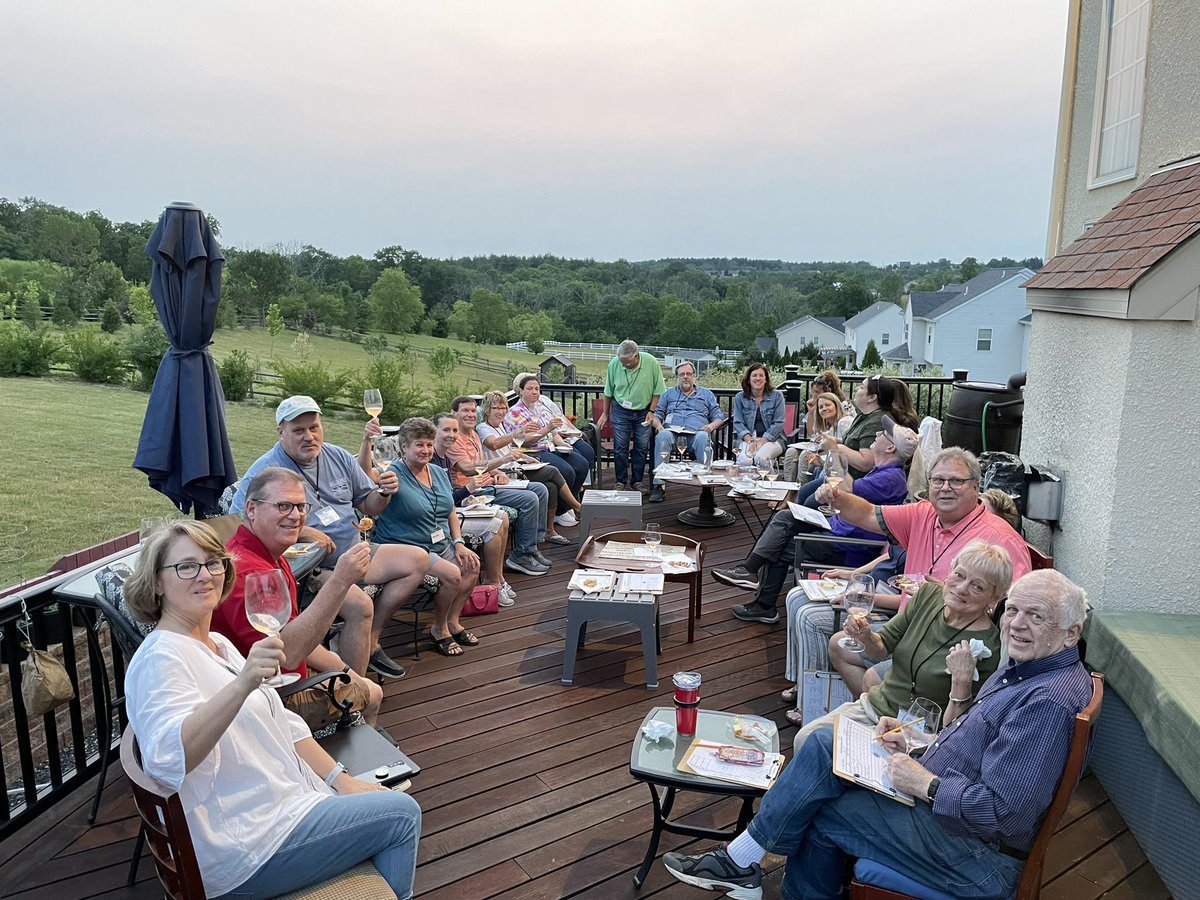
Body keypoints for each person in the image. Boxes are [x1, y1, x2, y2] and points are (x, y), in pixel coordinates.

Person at [662, 568, 1091, 900]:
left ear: (1071, 632)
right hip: (948, 812)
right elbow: (984, 748)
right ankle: (744, 862)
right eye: (1013, 610)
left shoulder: (1045, 702)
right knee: (825, 745)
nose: (1016, 623)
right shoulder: (1027, 671)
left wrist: (925, 782)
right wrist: (917, 744)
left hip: (977, 857)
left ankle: (750, 867)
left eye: (1036, 616)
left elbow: (1005, 814)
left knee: (825, 811)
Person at [123, 520, 421, 899]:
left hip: (282, 809)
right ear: (156, 583)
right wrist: (245, 681)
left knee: (382, 795)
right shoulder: (161, 660)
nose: (205, 575)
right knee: (400, 815)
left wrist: (341, 782)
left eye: (214, 563)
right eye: (186, 566)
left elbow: (286, 724)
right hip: (245, 847)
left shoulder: (216, 644)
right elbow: (169, 760)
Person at [230, 396, 428, 681]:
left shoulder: (337, 456)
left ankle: (370, 641)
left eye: (314, 427)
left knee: (417, 560)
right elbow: (238, 522)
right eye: (299, 430)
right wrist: (301, 531)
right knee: (361, 607)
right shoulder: (265, 472)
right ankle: (353, 691)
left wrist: (384, 493)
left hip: (354, 549)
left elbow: (368, 505)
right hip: (314, 568)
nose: (309, 436)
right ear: (281, 432)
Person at [212, 468, 384, 727]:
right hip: (264, 699)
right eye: (283, 506)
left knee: (358, 681)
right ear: (251, 509)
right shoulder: (248, 573)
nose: (295, 516)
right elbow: (289, 653)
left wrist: (344, 671)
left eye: (301, 507)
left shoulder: (265, 554)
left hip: (284, 677)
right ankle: (356, 760)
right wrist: (340, 581)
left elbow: (290, 635)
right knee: (374, 694)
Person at [788, 539, 1006, 743]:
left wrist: (962, 680)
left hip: (915, 737)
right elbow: (881, 649)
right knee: (806, 737)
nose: (961, 588)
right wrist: (866, 636)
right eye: (959, 575)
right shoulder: (929, 595)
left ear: (993, 598)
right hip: (875, 709)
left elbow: (961, 728)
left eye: (977, 586)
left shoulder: (987, 647)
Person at [713, 416, 917, 625]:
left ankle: (761, 601)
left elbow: (845, 488)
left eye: (883, 434)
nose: (876, 434)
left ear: (891, 448)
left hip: (848, 547)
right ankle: (749, 573)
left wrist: (834, 450)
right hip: (838, 528)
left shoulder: (891, 478)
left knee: (778, 546)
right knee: (785, 516)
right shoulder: (883, 472)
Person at [369, 417, 481, 658]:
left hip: (441, 543)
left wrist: (459, 542)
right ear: (404, 447)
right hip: (407, 547)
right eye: (419, 445)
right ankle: (439, 630)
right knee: (452, 574)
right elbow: (364, 472)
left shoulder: (439, 472)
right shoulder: (391, 473)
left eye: (430, 445)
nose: (426, 450)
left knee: (471, 565)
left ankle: (452, 621)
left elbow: (450, 508)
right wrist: (366, 441)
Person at [429, 411, 539, 600]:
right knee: (494, 524)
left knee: (502, 516)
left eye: (454, 430)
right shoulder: (431, 460)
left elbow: (447, 498)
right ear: (434, 432)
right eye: (446, 430)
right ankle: (493, 583)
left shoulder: (444, 456)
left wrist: (468, 492)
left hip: (456, 508)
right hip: (442, 521)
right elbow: (443, 501)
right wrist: (468, 490)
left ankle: (499, 578)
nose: (451, 435)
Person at [446, 395, 554, 571]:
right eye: (465, 410)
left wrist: (497, 473)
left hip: (489, 482)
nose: (471, 414)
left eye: (473, 411)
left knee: (540, 489)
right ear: (453, 413)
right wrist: (503, 461)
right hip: (473, 492)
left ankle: (531, 548)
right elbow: (467, 469)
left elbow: (481, 463)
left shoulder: (472, 434)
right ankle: (521, 556)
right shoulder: (454, 437)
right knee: (529, 499)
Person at [478, 390, 579, 543]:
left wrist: (526, 457)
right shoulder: (483, 428)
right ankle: (577, 507)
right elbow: (494, 444)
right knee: (552, 471)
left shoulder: (500, 427)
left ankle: (548, 531)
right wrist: (518, 432)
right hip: (503, 472)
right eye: (496, 408)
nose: (501, 412)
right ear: (487, 410)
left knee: (550, 487)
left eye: (503, 408)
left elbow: (508, 447)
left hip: (515, 466)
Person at [648, 361, 726, 503]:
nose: (685, 377)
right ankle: (659, 486)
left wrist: (711, 426)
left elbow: (719, 417)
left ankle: (707, 489)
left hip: (696, 434)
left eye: (688, 374)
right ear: (677, 377)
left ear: (694, 376)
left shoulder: (706, 394)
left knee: (704, 437)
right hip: (673, 434)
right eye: (682, 374)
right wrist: (658, 425)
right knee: (662, 436)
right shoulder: (668, 394)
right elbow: (657, 415)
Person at [504, 375, 591, 500]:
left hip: (550, 447)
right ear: (521, 391)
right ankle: (563, 510)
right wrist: (547, 429)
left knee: (582, 465)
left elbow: (554, 433)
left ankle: (567, 506)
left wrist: (562, 444)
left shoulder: (540, 408)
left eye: (537, 389)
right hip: (533, 451)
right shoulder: (514, 413)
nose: (534, 392)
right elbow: (524, 442)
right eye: (530, 389)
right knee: (567, 471)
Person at [596, 339, 666, 491]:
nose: (623, 365)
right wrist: (605, 413)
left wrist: (652, 412)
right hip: (621, 409)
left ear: (636, 356)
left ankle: (637, 482)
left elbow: (658, 390)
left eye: (626, 362)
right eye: (621, 361)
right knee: (620, 447)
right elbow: (608, 392)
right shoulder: (615, 364)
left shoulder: (651, 362)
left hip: (644, 411)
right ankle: (620, 481)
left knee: (641, 447)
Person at [783, 391, 855, 483]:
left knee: (804, 456)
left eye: (828, 405)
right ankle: (790, 487)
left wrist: (826, 446)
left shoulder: (844, 422)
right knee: (793, 452)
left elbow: (847, 446)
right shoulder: (833, 427)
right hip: (832, 463)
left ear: (836, 405)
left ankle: (800, 487)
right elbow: (812, 433)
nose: (824, 409)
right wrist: (811, 412)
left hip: (844, 471)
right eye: (821, 407)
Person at [732, 363, 786, 468]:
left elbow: (779, 423)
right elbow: (738, 423)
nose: (758, 378)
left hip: (773, 439)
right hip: (748, 439)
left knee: (761, 457)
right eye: (754, 375)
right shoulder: (740, 397)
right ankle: (745, 483)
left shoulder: (777, 396)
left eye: (761, 375)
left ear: (766, 379)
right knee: (744, 460)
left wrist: (762, 441)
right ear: (748, 379)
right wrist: (751, 441)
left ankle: (765, 482)